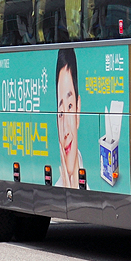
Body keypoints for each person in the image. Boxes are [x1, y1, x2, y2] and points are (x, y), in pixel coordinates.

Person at [55, 48, 85, 189]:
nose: (66, 130)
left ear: (78, 110)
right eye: (61, 113)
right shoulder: (53, 195)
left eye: (70, 106)